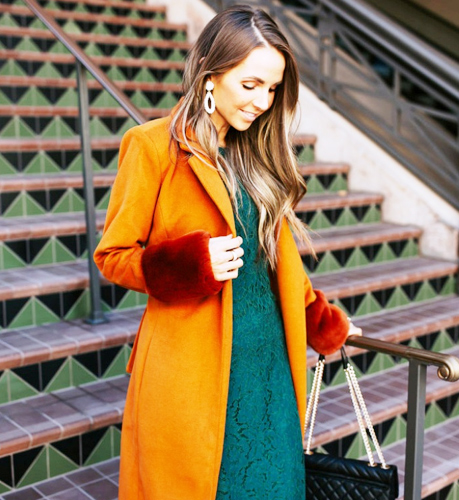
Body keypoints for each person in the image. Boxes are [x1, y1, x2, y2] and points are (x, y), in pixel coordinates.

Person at [94, 5, 361, 499]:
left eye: (273, 89)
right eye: (251, 84)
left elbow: (275, 267)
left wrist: (325, 323)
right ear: (212, 76)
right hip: (191, 375)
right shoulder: (153, 147)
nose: (263, 101)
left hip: (270, 373)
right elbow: (113, 255)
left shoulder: (258, 154)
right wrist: (192, 264)